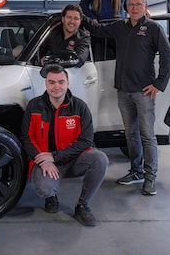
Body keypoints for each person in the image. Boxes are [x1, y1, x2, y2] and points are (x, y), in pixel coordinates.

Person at [82, 0, 170, 196]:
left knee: (147, 136)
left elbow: (167, 55)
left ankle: (150, 177)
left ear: (145, 6)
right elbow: (97, 29)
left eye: (138, 4)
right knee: (131, 135)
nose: (134, 8)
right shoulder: (120, 26)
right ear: (126, 7)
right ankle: (136, 171)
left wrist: (159, 84)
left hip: (144, 91)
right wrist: (80, 13)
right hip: (123, 91)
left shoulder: (153, 28)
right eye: (131, 4)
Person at [20, 64, 109, 226]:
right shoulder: (34, 106)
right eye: (52, 82)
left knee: (100, 159)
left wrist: (55, 156)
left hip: (72, 160)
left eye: (61, 82)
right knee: (45, 188)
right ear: (46, 84)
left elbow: (86, 141)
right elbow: (27, 137)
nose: (56, 87)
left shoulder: (80, 107)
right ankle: (51, 197)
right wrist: (43, 160)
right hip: (44, 162)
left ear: (67, 83)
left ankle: (83, 205)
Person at [39, 3, 91, 69]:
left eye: (76, 18)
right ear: (63, 19)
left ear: (80, 21)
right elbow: (39, 51)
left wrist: (51, 59)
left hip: (70, 72)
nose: (72, 21)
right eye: (69, 17)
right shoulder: (51, 33)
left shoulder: (83, 38)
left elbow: (79, 60)